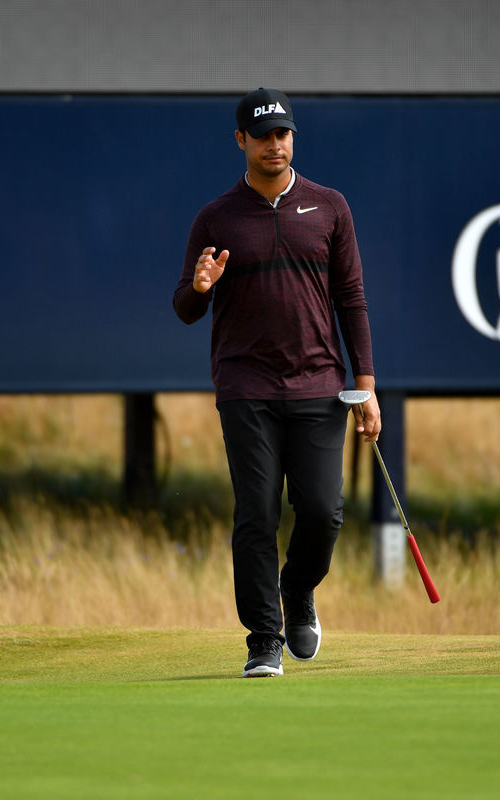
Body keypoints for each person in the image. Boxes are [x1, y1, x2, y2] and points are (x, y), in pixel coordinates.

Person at [173, 88, 381, 677]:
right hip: (246, 386)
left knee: (322, 512)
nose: (274, 144)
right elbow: (184, 307)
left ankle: (298, 590)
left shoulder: (330, 206)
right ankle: (263, 637)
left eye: (283, 134)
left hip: (318, 383)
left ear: (293, 137)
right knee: (257, 514)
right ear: (241, 140)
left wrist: (365, 387)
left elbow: (352, 300)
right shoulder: (216, 218)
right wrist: (202, 288)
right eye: (262, 135)